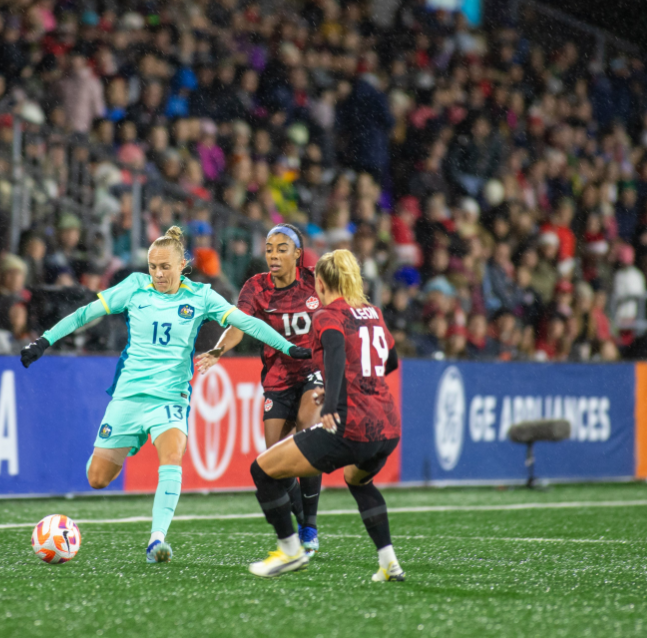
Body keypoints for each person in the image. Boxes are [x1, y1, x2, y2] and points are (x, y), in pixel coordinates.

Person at [20, 227, 310, 563]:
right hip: (129, 396)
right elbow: (85, 313)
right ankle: (129, 441)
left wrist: (288, 347)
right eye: (153, 266)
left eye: (165, 267)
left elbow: (246, 322)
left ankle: (156, 540)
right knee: (97, 478)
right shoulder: (134, 288)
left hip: (171, 398)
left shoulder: (201, 296)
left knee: (171, 457)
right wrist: (43, 341)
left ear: (183, 264)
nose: (158, 274)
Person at [246, 249, 403, 582]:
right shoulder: (372, 312)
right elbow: (390, 363)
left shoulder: (327, 315)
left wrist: (331, 403)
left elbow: (333, 352)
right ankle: (389, 563)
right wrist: (346, 387)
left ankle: (289, 551)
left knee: (261, 470)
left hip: (351, 425)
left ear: (320, 281)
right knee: (358, 481)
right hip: (388, 426)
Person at [196, 224, 324, 554]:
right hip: (278, 380)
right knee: (275, 463)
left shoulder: (316, 281)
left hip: (313, 372)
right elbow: (238, 326)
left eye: (282, 248)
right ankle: (300, 519)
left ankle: (310, 525)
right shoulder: (256, 287)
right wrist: (218, 351)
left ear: (298, 253)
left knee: (308, 436)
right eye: (269, 248)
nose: (274, 255)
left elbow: (344, 307)